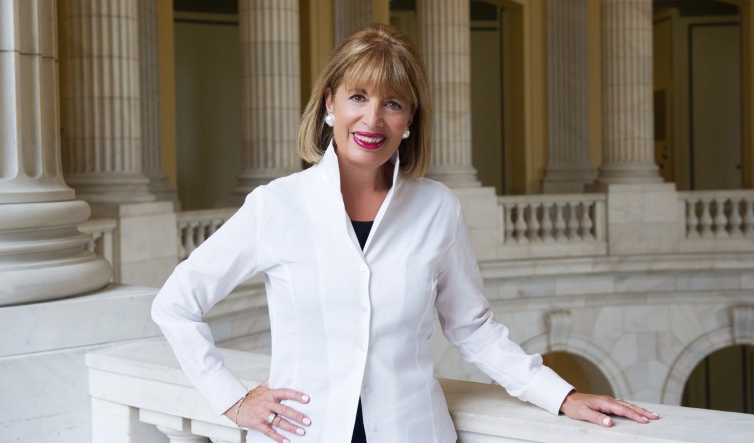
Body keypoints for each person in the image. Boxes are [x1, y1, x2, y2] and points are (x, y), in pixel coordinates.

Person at [152, 23, 659, 443]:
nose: (372, 118)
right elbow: (175, 303)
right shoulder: (277, 206)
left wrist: (561, 395)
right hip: (303, 432)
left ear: (410, 118)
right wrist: (232, 400)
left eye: (393, 103)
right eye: (357, 97)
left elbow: (473, 328)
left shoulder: (438, 208)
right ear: (330, 104)